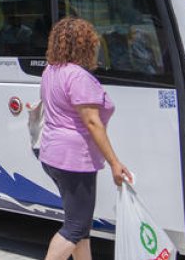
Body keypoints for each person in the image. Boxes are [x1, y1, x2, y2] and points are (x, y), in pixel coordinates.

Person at [38, 17, 131, 260]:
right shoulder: (78, 77)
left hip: (52, 156)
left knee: (80, 225)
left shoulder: (51, 70)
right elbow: (92, 122)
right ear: (84, 45)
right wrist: (114, 163)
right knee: (75, 227)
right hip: (74, 160)